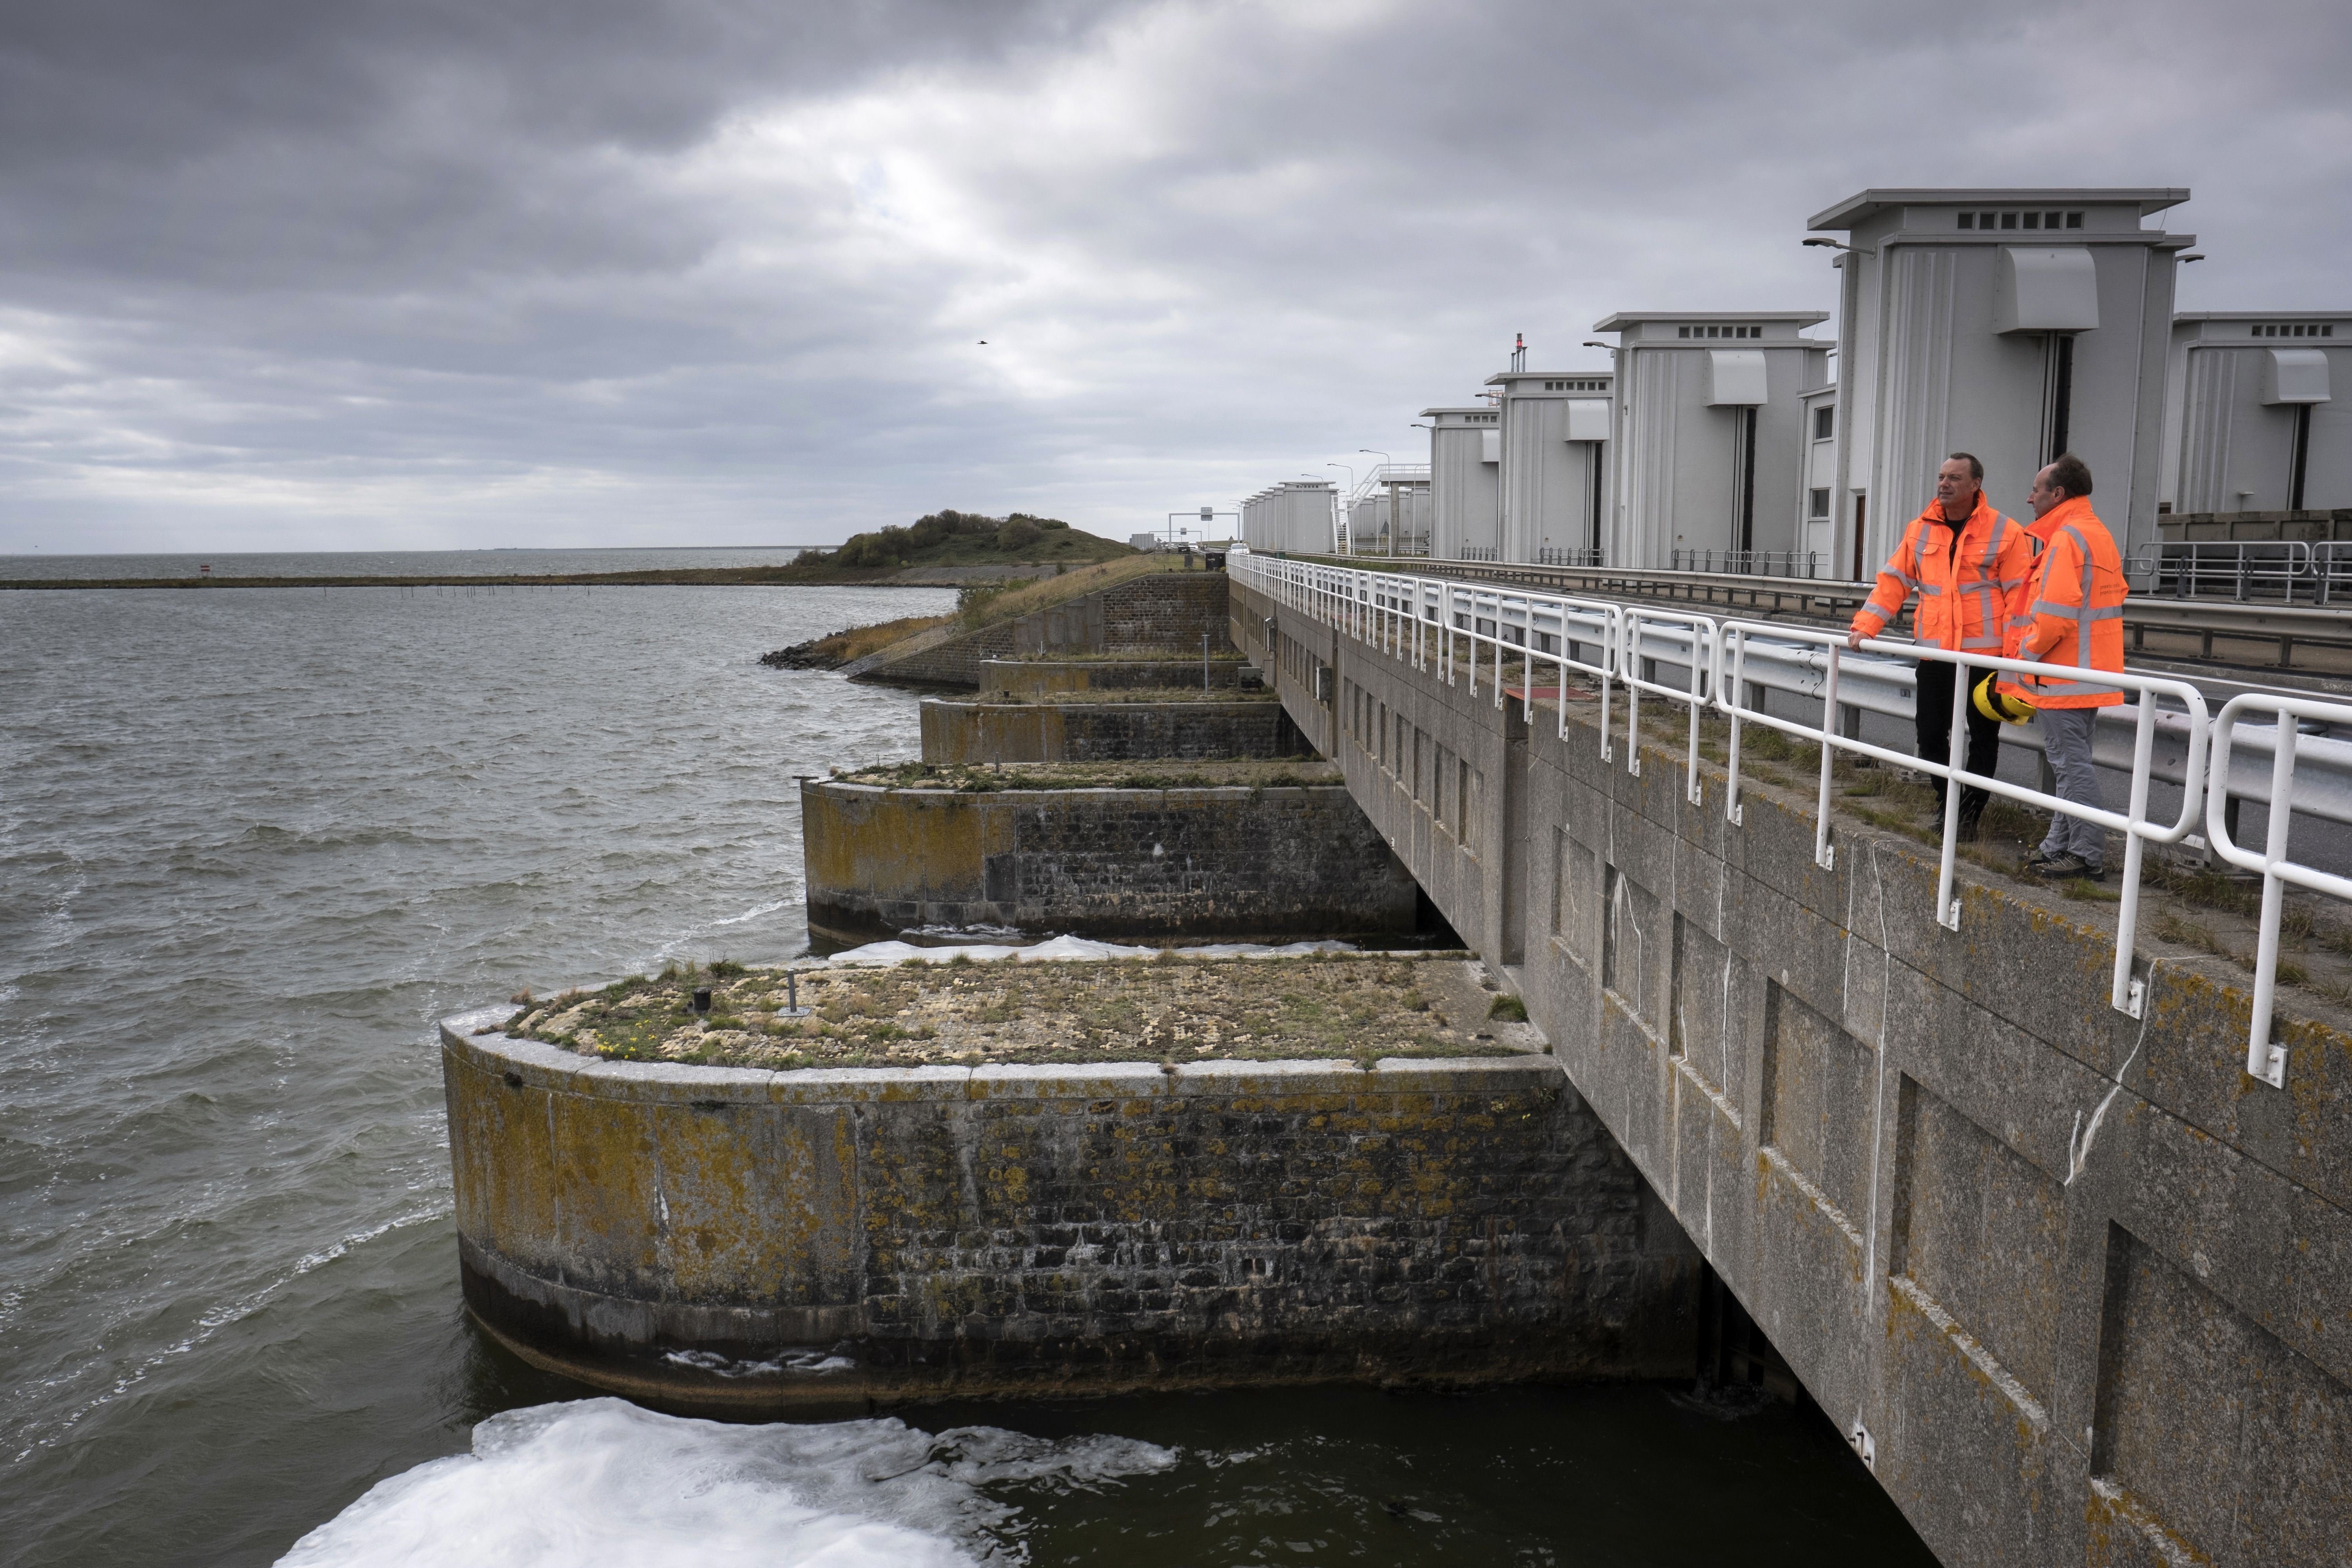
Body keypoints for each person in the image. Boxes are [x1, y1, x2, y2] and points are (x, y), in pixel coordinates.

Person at [1845, 453, 2034, 838]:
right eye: (1942, 477)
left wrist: (2018, 656)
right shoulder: (1920, 530)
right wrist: (1866, 626)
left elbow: (2020, 597)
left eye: (1954, 478)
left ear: (1975, 484)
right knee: (1930, 735)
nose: (1944, 484)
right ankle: (1948, 802)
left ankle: (1967, 818)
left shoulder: (2006, 531)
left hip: (1986, 657)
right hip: (1935, 655)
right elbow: (1893, 582)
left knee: (1983, 739)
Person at [1999, 454, 2126, 880]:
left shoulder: (2066, 539)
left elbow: (2053, 618)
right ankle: (2059, 845)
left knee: (2071, 766)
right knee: (2068, 765)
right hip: (2088, 673)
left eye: (2036, 490)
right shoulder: (2095, 533)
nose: (2029, 497)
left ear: (2057, 494)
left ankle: (2087, 854)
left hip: (2063, 674)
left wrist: (2024, 658)